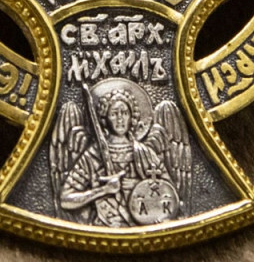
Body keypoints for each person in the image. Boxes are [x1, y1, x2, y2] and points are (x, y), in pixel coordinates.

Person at [59, 89, 170, 227]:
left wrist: (138, 186)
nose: (120, 119)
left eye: (124, 113)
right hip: (101, 231)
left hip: (142, 230)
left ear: (132, 117)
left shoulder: (145, 153)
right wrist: (103, 190)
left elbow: (169, 193)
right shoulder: (93, 155)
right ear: (105, 119)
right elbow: (66, 200)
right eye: (114, 114)